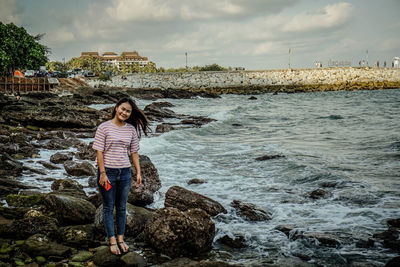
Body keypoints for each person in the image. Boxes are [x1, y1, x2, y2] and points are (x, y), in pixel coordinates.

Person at [93, 97, 150, 255]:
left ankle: (120, 238)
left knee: (122, 207)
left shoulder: (131, 129)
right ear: (116, 107)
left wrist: (138, 172)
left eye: (128, 111)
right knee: (108, 207)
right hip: (108, 173)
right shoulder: (104, 127)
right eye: (122, 109)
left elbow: (134, 153)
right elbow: (99, 152)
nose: (124, 112)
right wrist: (103, 173)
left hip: (125, 173)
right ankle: (111, 240)